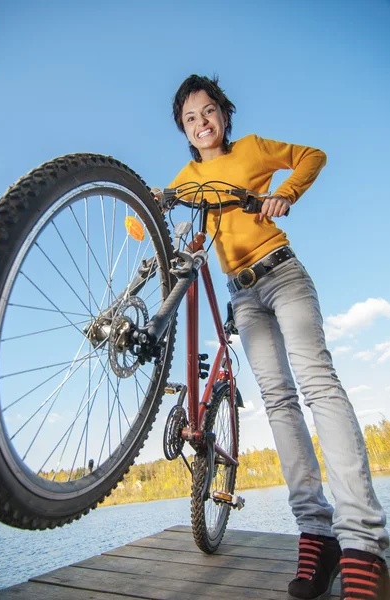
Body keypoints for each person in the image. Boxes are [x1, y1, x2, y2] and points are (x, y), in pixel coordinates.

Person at [165, 74, 389, 600]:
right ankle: (317, 533)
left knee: (317, 384)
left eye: (209, 111)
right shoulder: (187, 178)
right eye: (190, 119)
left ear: (224, 113)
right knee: (278, 402)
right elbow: (153, 216)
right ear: (184, 129)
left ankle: (362, 542)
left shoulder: (253, 149)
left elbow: (313, 155)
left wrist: (284, 193)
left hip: (282, 273)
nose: (202, 124)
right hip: (242, 296)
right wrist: (147, 207)